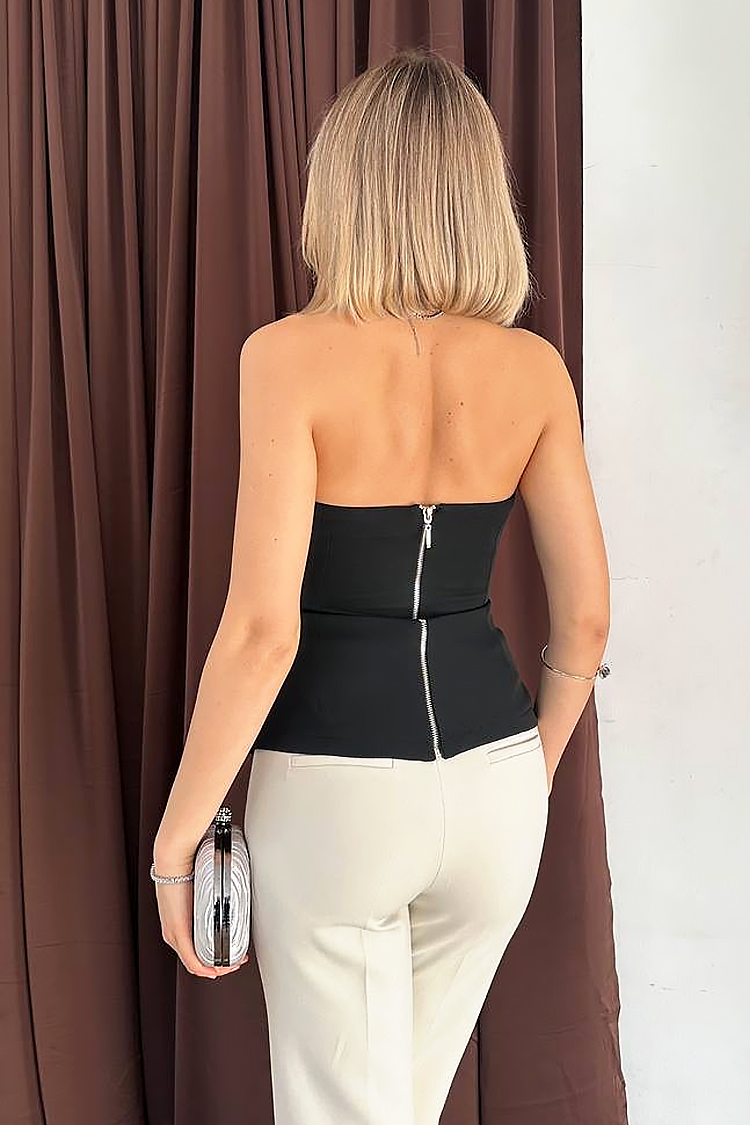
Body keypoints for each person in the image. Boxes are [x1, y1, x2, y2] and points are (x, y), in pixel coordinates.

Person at [151, 47, 610, 1125]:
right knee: (399, 1105)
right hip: (497, 788)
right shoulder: (534, 370)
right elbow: (586, 622)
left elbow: (262, 633)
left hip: (337, 794)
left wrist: (179, 843)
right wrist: (526, 776)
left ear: (344, 187)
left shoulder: (286, 357)